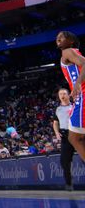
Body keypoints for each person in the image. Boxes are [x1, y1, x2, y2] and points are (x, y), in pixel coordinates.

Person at [57, 31, 85, 178]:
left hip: (83, 96)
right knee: (75, 137)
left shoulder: (68, 51)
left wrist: (77, 84)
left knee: (74, 138)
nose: (59, 38)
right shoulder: (73, 52)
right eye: (57, 37)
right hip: (80, 97)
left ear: (71, 41)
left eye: (62, 36)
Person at [53, 87, 75, 191]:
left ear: (68, 95)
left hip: (77, 134)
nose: (62, 95)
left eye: (64, 93)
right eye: (60, 94)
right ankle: (69, 183)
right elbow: (55, 123)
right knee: (64, 161)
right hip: (65, 136)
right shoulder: (57, 109)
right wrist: (57, 133)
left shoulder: (75, 106)